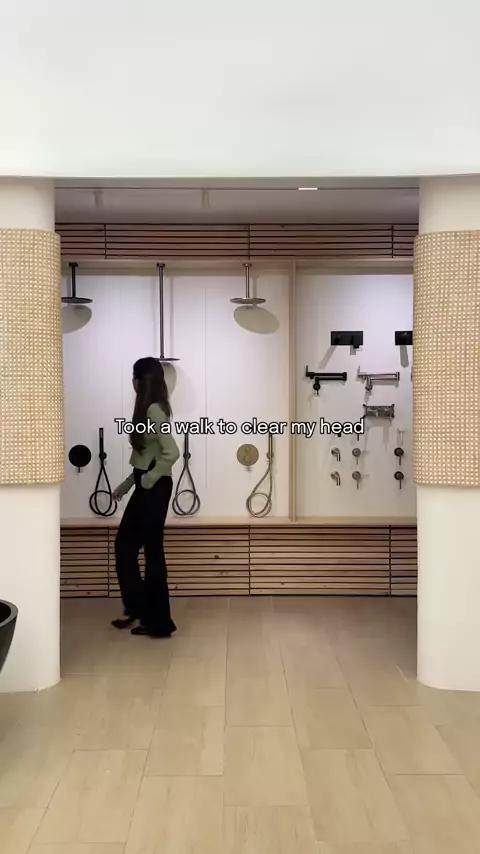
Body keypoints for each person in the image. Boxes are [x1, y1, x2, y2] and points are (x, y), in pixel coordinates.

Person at [112, 357, 180, 637]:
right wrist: (128, 484)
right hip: (148, 485)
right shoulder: (150, 409)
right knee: (135, 548)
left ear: (141, 381)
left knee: (136, 548)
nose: (132, 381)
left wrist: (148, 481)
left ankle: (152, 617)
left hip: (154, 487)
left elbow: (172, 452)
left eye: (134, 376)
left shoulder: (153, 410)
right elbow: (146, 457)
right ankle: (147, 614)